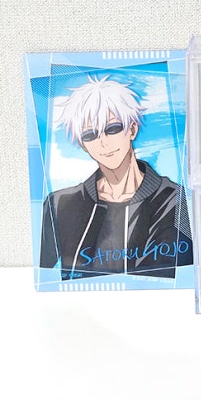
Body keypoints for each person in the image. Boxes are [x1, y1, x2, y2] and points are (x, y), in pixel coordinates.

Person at [39, 76, 192, 280]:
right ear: (83, 145)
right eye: (90, 135)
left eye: (112, 129)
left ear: (132, 129)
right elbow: (43, 277)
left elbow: (177, 275)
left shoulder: (175, 200)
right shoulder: (59, 204)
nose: (103, 142)